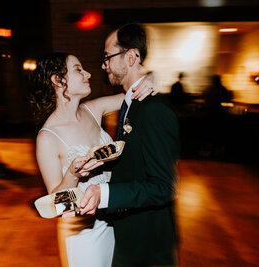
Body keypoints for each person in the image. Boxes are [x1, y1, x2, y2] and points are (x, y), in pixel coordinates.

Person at [30, 52, 156, 267]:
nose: (88, 73)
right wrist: (72, 174)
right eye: (78, 69)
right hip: (83, 234)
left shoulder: (93, 109)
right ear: (57, 80)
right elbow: (57, 202)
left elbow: (137, 93)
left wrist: (152, 79)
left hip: (115, 219)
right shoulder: (48, 137)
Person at [80, 23, 180, 267]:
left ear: (131, 57)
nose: (104, 66)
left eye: (107, 57)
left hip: (148, 243)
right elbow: (135, 161)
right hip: (131, 234)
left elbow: (163, 187)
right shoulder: (130, 103)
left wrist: (105, 194)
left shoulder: (153, 110)